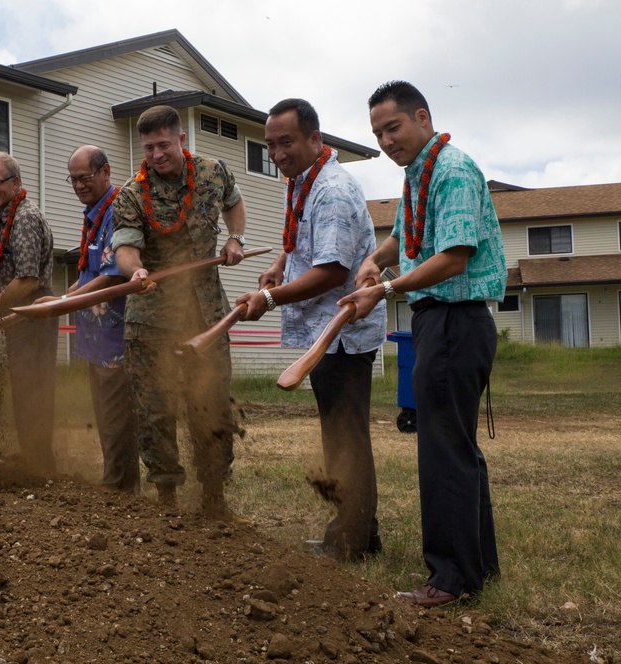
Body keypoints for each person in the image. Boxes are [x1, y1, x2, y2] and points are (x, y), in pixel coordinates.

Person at [339, 81, 507, 607]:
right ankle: (478, 568)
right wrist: (376, 259)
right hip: (441, 321)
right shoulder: (419, 175)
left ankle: (450, 579)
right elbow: (406, 239)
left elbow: (453, 256)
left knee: (443, 450)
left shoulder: (452, 170)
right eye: (377, 133)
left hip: (455, 320)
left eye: (393, 127)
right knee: (455, 445)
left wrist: (385, 287)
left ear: (422, 117)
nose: (386, 141)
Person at [234, 99, 387, 560]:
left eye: (287, 142)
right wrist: (280, 266)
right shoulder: (303, 183)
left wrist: (268, 298)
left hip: (341, 331)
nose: (278, 153)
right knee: (340, 432)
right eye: (271, 145)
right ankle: (364, 534)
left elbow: (330, 270)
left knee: (345, 438)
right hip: (324, 332)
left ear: (315, 139)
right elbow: (301, 242)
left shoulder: (333, 190)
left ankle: (350, 542)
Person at [111, 105, 247, 517]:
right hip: (151, 319)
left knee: (210, 404)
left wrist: (235, 239)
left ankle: (213, 496)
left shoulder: (212, 172)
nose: (156, 154)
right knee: (155, 411)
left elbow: (234, 205)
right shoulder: (131, 194)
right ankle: (166, 497)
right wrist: (136, 272)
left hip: (206, 314)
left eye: (163, 145)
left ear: (181, 139)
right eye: (148, 147)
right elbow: (125, 250)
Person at [0, 152, 58, 476]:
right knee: (23, 388)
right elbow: (8, 275)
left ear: (15, 182)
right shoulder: (6, 215)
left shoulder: (24, 218)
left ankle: (40, 463)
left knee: (34, 388)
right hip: (21, 310)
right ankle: (32, 457)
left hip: (34, 310)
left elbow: (28, 280)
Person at [66, 145, 140, 493]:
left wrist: (64, 301)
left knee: (115, 417)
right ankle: (115, 480)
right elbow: (88, 274)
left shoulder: (117, 210)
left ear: (106, 172)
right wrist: (61, 297)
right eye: (74, 179)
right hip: (94, 338)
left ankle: (119, 487)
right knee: (104, 415)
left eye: (86, 177)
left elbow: (113, 275)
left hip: (115, 337)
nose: (79, 185)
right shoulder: (92, 213)